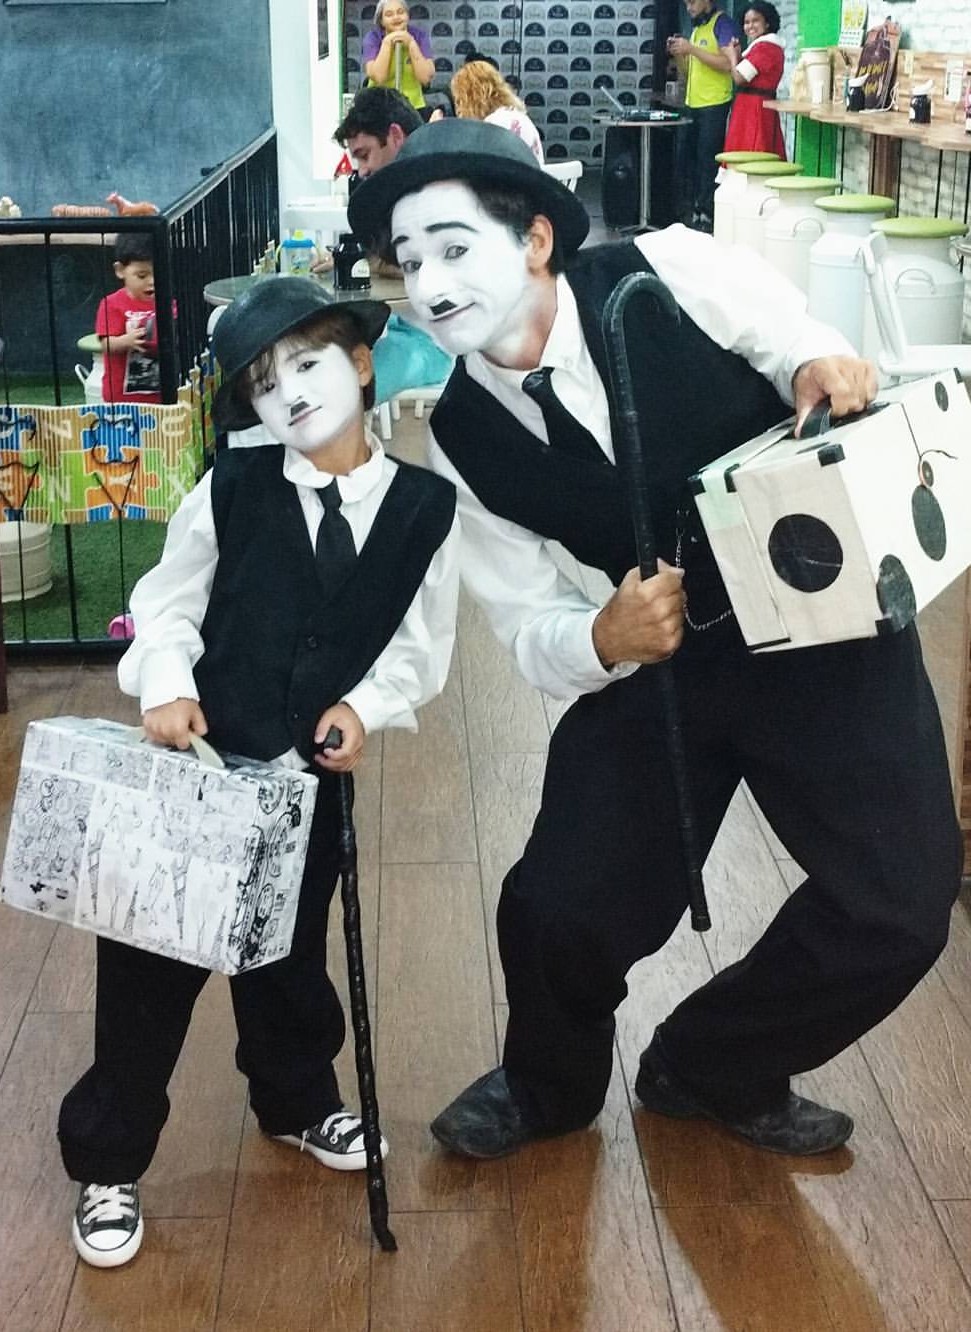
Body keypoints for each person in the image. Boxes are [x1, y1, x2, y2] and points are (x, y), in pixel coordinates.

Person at [348, 119, 961, 1165]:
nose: (433, 286)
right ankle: (546, 1086)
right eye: (411, 262)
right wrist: (603, 634)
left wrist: (821, 362)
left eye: (454, 247)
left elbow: (789, 334)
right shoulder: (457, 437)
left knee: (900, 904)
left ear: (535, 240)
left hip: (821, 628)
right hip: (663, 663)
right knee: (558, 907)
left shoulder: (662, 272)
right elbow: (525, 623)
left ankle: (712, 1062)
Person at [58, 277, 460, 1268]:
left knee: (286, 952)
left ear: (361, 365)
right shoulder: (232, 488)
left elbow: (417, 646)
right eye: (265, 384)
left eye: (309, 364)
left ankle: (296, 1101)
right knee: (151, 969)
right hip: (196, 769)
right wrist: (164, 682)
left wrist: (364, 708)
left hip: (305, 783)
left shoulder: (423, 509)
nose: (291, 393)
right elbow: (168, 602)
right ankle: (108, 1158)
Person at [317, 87, 453, 402]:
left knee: (340, 393)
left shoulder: (438, 190)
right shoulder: (404, 190)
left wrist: (367, 261)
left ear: (395, 136)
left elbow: (426, 263)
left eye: (364, 154)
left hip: (434, 342)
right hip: (397, 328)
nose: (361, 170)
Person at [668, 0, 740, 229]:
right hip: (693, 103)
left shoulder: (722, 23)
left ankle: (708, 214)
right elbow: (689, 70)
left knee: (708, 162)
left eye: (692, 2)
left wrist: (691, 49)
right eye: (686, 3)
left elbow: (727, 64)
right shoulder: (697, 29)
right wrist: (679, 54)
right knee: (689, 161)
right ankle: (691, 211)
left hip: (715, 103)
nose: (689, 7)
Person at [95, 233, 162, 403]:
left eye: (159, 272)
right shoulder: (112, 304)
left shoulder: (168, 302)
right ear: (120, 270)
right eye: (142, 275)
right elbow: (105, 343)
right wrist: (126, 341)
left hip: (162, 395)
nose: (152, 281)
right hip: (121, 398)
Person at [722, 2, 787, 157]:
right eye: (746, 22)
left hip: (755, 109)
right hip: (753, 106)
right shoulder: (763, 47)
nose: (750, 26)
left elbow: (739, 78)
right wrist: (737, 55)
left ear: (767, 23)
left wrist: (732, 56)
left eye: (755, 20)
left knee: (752, 152)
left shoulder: (765, 47)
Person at [451, 61, 545, 164]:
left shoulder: (492, 127)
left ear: (472, 98)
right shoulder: (516, 116)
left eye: (459, 100)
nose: (458, 110)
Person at [362, 1, 434, 116]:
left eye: (400, 12)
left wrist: (411, 43)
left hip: (413, 107)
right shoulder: (373, 38)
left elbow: (425, 78)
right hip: (378, 107)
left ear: (407, 15)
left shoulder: (419, 36)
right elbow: (379, 78)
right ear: (381, 20)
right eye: (389, 14)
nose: (396, 17)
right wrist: (387, 42)